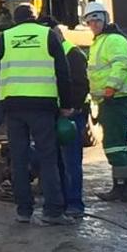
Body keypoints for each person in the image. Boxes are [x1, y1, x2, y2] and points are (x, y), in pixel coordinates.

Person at [0, 3, 73, 225]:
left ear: (15, 19)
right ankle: (52, 211)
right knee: (48, 158)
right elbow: (63, 72)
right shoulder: (48, 35)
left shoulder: (5, 37)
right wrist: (67, 104)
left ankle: (24, 210)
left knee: (19, 159)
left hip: (13, 107)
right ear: (35, 18)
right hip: (43, 106)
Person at [82, 1, 127, 202]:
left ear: (105, 18)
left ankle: (123, 187)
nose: (93, 24)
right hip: (110, 99)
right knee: (120, 144)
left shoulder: (113, 40)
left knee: (114, 144)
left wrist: (110, 89)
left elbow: (121, 66)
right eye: (90, 21)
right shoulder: (102, 40)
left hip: (115, 98)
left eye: (96, 20)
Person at [46, 19, 89, 218]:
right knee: (59, 161)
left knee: (71, 161)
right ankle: (63, 201)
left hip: (72, 114)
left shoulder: (71, 53)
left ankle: (74, 203)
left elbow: (80, 85)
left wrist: (71, 108)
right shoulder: (57, 52)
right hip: (58, 113)